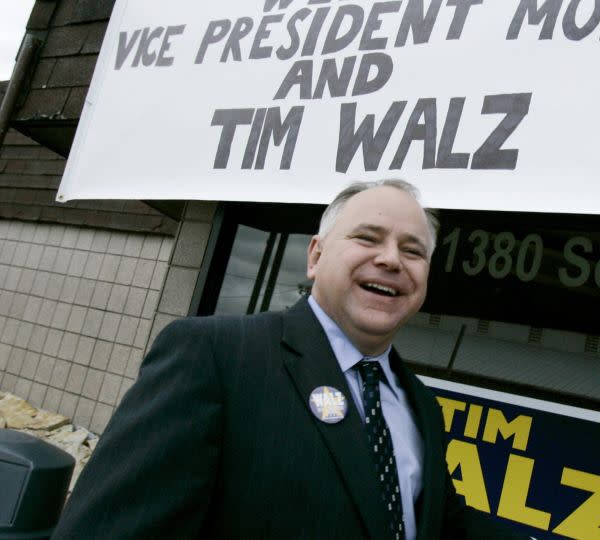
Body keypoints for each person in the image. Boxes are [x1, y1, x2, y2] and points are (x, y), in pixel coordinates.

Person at [53, 180, 522, 539]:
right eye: (368, 237)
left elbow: (443, 522)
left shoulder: (419, 403)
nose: (391, 260)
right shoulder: (215, 357)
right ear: (315, 256)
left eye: (413, 250)